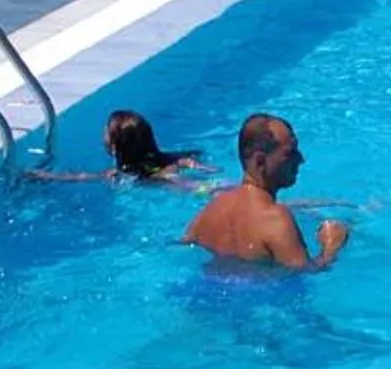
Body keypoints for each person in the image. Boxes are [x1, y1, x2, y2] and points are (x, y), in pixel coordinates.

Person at [184, 114, 349, 269]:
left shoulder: (208, 212)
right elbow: (304, 274)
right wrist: (330, 247)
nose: (300, 160)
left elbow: (184, 244)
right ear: (260, 161)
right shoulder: (276, 219)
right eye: (290, 153)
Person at [107, 109, 208, 181]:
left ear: (114, 146)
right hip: (169, 162)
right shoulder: (156, 158)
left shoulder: (128, 172)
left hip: (160, 175)